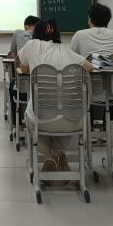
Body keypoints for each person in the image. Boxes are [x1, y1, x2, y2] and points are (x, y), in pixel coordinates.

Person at [19, 19, 93, 182]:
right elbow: (89, 67)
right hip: (72, 121)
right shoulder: (67, 51)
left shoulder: (32, 45)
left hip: (41, 120)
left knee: (30, 118)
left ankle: (51, 157)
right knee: (68, 118)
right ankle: (59, 154)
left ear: (36, 33)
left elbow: (23, 67)